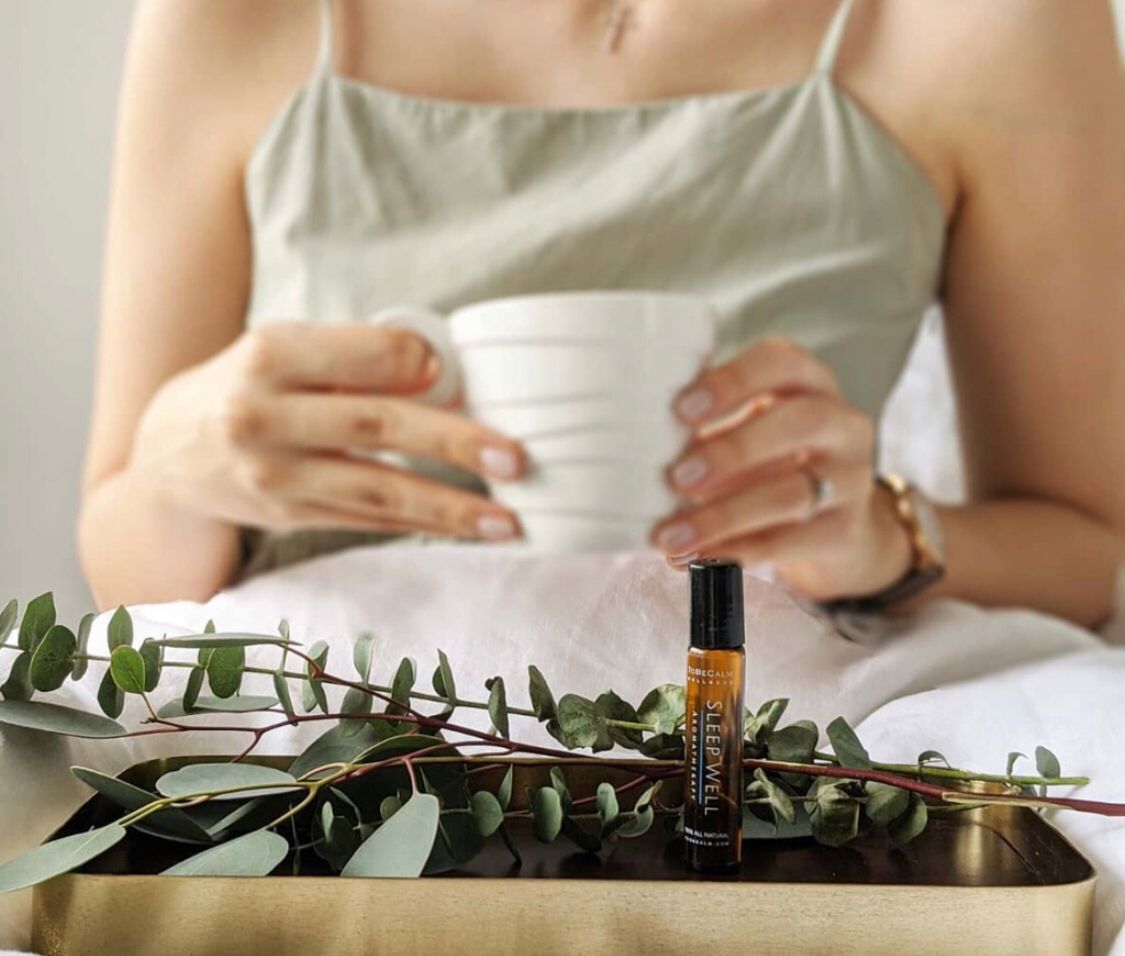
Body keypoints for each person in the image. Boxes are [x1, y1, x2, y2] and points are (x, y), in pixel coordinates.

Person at [79, 0, 1124, 626]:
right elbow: (124, 569)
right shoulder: (229, 15)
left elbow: (1082, 551)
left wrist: (887, 543)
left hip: (745, 746)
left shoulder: (991, 23)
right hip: (317, 757)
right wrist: (178, 468)